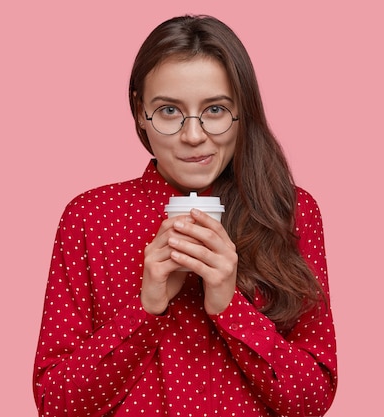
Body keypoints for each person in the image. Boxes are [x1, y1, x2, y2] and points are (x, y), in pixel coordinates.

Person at [33, 14, 337, 417]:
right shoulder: (91, 217)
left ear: (242, 111)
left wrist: (231, 307)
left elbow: (312, 400)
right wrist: (146, 307)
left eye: (214, 109)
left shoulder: (289, 211)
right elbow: (56, 404)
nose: (193, 136)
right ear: (141, 111)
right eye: (169, 111)